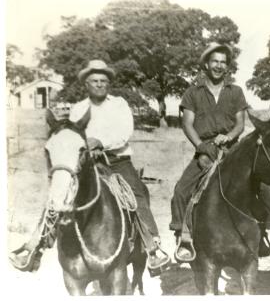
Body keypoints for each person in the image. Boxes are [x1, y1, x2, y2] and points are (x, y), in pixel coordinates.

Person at [10, 59, 170, 273]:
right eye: (94, 80)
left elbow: (125, 131)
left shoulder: (119, 104)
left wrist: (101, 142)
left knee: (136, 194)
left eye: (103, 81)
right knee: (59, 194)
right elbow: (73, 137)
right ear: (86, 84)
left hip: (117, 162)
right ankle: (35, 245)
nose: (99, 84)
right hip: (87, 165)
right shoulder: (78, 109)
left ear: (109, 83)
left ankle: (153, 247)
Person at [169, 42, 249, 262]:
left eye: (223, 62)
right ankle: (183, 236)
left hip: (232, 149)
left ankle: (261, 237)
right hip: (204, 147)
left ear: (227, 67)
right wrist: (201, 147)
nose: (219, 66)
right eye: (215, 61)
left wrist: (230, 137)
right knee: (181, 190)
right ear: (206, 64)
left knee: (259, 186)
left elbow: (240, 124)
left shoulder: (236, 91)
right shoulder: (192, 93)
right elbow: (187, 125)